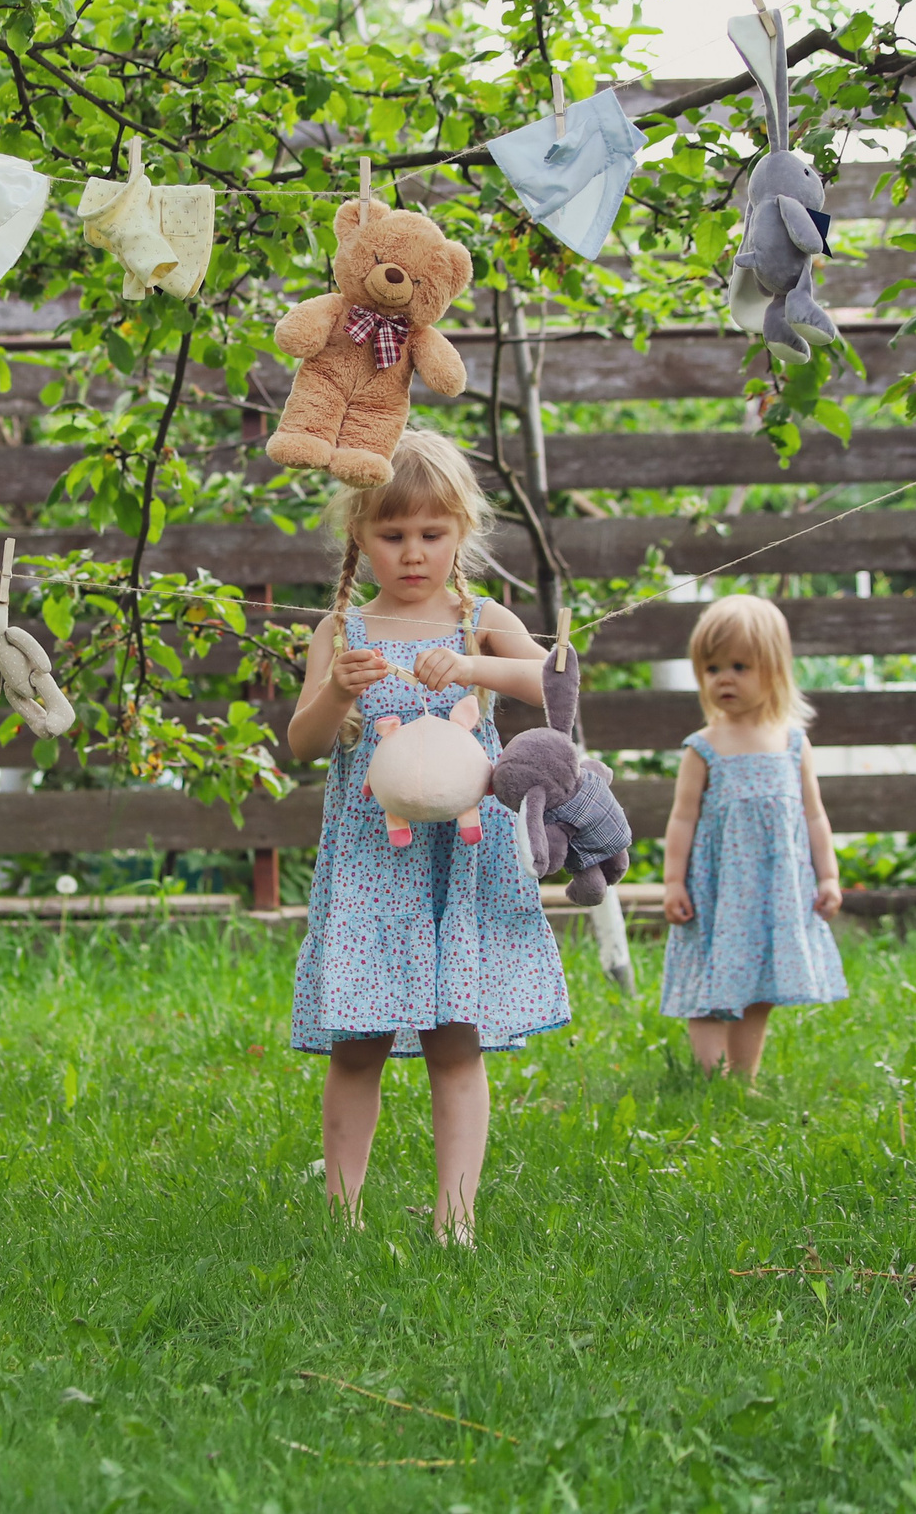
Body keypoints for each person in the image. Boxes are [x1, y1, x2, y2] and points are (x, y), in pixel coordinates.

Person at [286, 429, 569, 1245]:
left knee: (455, 1043)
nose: (413, 553)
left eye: (432, 533)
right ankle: (341, 1215)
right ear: (359, 532)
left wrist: (475, 667)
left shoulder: (479, 619)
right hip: (371, 870)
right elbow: (303, 743)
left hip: (460, 867)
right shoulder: (342, 630)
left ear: (462, 531)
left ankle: (457, 1217)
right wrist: (337, 694)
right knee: (357, 1045)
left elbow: (554, 681)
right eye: (393, 533)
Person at [659, 593, 847, 1082]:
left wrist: (828, 876)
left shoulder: (792, 744)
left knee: (760, 988)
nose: (724, 678)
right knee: (709, 983)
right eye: (712, 668)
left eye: (740, 666)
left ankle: (742, 1079)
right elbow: (682, 819)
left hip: (772, 895)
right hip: (716, 893)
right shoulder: (703, 747)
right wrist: (674, 882)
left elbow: (814, 816)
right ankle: (711, 1078)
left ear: (774, 670)